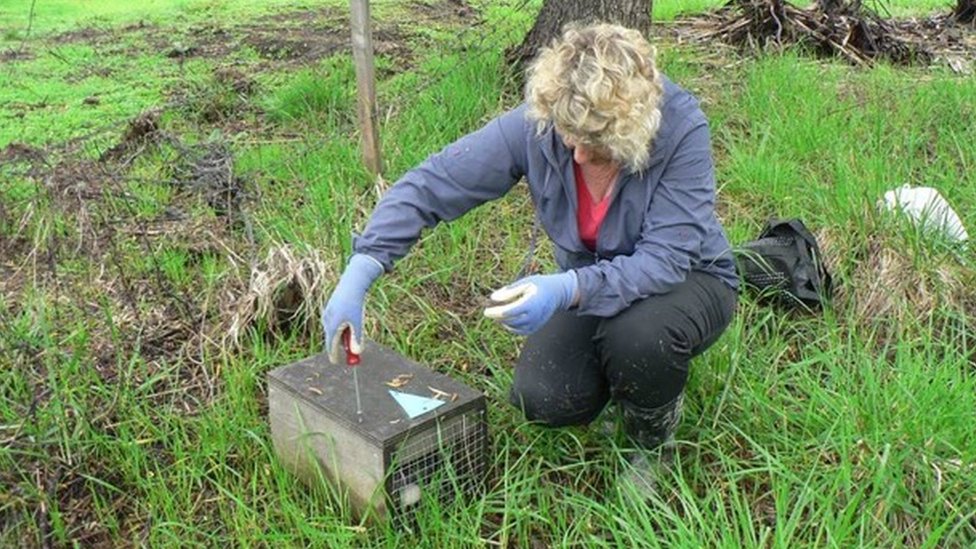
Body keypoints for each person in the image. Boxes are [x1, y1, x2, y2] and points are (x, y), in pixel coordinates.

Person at [322, 22, 738, 489]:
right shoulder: (544, 122)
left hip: (688, 280)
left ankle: (652, 437)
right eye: (569, 135)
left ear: (632, 130)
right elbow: (434, 183)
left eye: (596, 144)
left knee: (640, 337)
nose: (577, 156)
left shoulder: (680, 130)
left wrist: (566, 288)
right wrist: (363, 267)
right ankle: (621, 384)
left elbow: (664, 260)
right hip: (592, 280)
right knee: (543, 398)